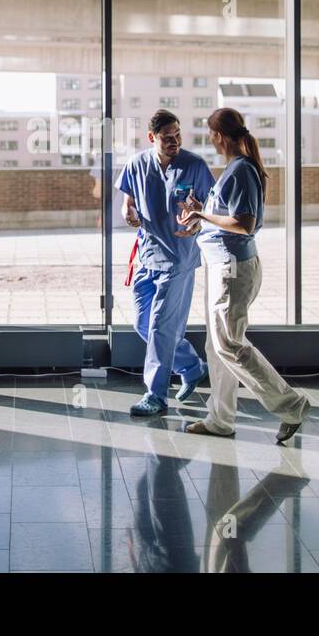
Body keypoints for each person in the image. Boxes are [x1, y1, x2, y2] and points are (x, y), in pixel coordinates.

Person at [176, 107, 311, 444]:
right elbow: (225, 217)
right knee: (217, 345)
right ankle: (220, 420)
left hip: (231, 270)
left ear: (219, 135)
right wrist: (200, 216)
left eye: (211, 133)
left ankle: (291, 405)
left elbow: (244, 224)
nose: (210, 140)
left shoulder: (241, 170)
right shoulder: (236, 169)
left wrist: (202, 214)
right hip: (223, 266)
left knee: (230, 345)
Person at [117, 109, 217, 417]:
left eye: (177, 136)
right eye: (167, 138)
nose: (174, 142)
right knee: (143, 323)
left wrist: (197, 222)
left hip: (178, 258)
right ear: (152, 138)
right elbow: (128, 200)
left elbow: (209, 209)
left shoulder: (195, 166)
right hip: (147, 255)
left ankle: (155, 395)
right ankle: (190, 366)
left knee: (162, 327)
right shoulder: (136, 165)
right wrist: (127, 212)